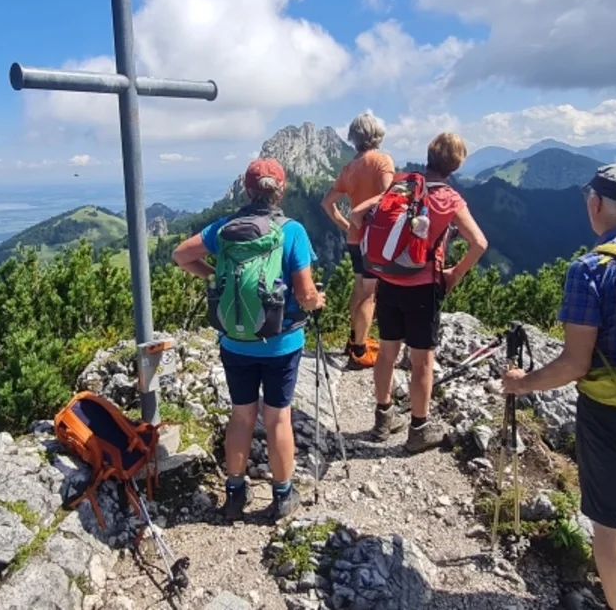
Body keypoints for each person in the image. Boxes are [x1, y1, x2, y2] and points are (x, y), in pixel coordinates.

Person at [500, 163, 616, 610]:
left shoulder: (590, 269)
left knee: (611, 525)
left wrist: (524, 383)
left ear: (596, 203)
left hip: (610, 415)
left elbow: (575, 363)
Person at [172, 158, 326, 523]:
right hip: (281, 343)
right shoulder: (292, 231)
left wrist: (217, 278)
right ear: (281, 191)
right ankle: (283, 496)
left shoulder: (223, 228)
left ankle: (235, 493)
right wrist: (317, 301)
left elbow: (181, 256)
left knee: (242, 415)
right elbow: (305, 295)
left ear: (246, 190)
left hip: (235, 342)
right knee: (277, 417)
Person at [350, 132, 487, 452]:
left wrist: (379, 255)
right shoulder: (449, 199)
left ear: (428, 156)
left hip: (387, 281)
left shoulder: (401, 185)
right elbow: (479, 243)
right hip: (423, 288)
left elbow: (356, 215)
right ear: (456, 164)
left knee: (387, 351)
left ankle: (383, 419)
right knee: (422, 361)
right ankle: (419, 429)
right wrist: (454, 274)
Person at [321, 112, 396, 369]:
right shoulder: (382, 161)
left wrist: (348, 225)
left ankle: (353, 339)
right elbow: (389, 196)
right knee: (369, 294)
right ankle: (360, 350)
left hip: (355, 239)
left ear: (354, 137)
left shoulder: (349, 168)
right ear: (377, 133)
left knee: (359, 288)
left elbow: (327, 203)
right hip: (375, 238)